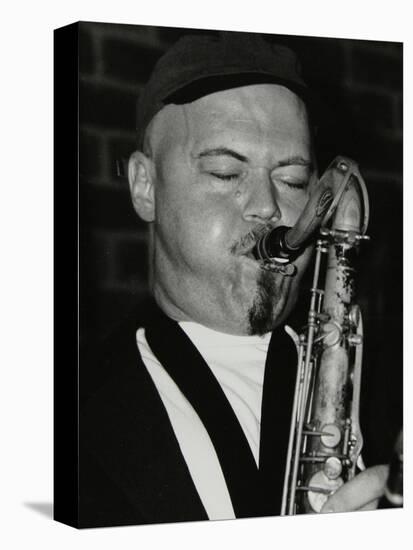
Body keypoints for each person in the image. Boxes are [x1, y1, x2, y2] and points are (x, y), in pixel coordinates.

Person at [79, 32, 388, 528]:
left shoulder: (391, 395)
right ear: (145, 186)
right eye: (225, 172)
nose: (268, 207)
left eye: (291, 180)